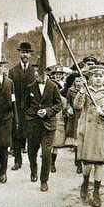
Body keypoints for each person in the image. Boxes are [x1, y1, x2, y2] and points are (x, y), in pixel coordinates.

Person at [76, 65, 104, 207]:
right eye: (95, 76)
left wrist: (103, 113)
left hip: (100, 131)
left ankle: (96, 192)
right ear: (90, 78)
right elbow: (77, 106)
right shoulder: (86, 91)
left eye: (101, 76)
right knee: (86, 162)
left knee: (99, 163)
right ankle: (85, 182)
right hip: (87, 131)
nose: (98, 79)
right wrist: (81, 91)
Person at [24, 63, 62, 192]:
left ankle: (44, 180)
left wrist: (47, 111)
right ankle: (33, 169)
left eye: (42, 72)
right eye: (37, 72)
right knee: (31, 151)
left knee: (46, 154)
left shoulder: (53, 86)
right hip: (33, 124)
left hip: (48, 125)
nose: (39, 75)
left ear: (47, 73)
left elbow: (59, 104)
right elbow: (25, 105)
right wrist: (32, 114)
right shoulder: (30, 87)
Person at [8, 42, 36, 171]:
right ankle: (17, 161)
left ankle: (32, 163)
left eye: (27, 52)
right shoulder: (12, 71)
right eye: (23, 52)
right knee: (17, 136)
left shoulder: (35, 71)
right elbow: (10, 91)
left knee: (31, 137)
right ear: (19, 54)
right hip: (17, 108)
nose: (25, 54)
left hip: (31, 109)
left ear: (30, 55)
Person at [64, 72, 83, 173]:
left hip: (83, 116)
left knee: (83, 140)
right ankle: (78, 162)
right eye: (77, 81)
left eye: (80, 81)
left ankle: (82, 160)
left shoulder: (86, 91)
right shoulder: (70, 91)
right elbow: (67, 102)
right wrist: (68, 108)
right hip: (74, 117)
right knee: (76, 141)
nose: (79, 83)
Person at [50, 65, 67, 173]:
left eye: (60, 74)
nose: (58, 76)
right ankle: (48, 161)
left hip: (59, 119)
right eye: (56, 74)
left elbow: (65, 105)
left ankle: (52, 163)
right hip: (49, 119)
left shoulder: (63, 94)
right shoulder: (48, 91)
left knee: (55, 144)